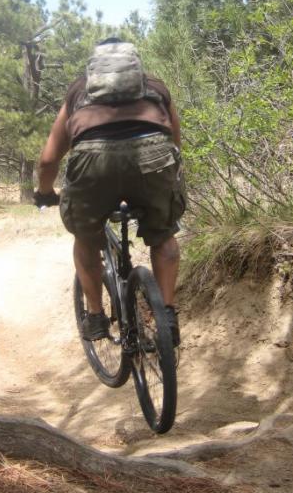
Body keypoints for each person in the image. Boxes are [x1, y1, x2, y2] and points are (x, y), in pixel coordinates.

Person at [34, 38, 186, 344]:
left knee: (86, 239)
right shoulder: (156, 87)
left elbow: (49, 159)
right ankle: (167, 316)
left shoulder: (79, 91)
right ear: (134, 63)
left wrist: (46, 192)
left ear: (95, 65)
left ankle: (95, 317)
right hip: (154, 158)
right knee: (164, 236)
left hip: (93, 164)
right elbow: (175, 142)